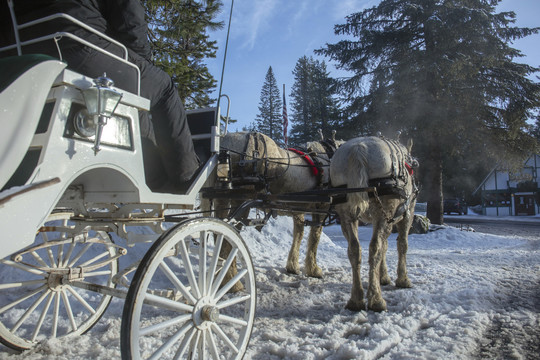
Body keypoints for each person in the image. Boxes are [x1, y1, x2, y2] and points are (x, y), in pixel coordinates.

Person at [0, 0, 200, 191]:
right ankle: (186, 179)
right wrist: (142, 63)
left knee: (134, 100)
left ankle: (152, 175)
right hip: (76, 43)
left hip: (21, 57)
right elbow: (129, 18)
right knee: (163, 88)